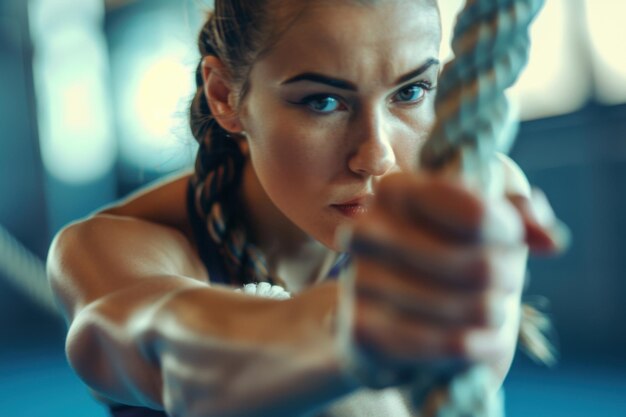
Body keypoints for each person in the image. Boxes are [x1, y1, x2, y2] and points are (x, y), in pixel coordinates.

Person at [47, 0, 566, 416]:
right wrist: (357, 329)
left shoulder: (474, 198)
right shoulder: (117, 244)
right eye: (323, 101)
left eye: (410, 91)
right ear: (226, 96)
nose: (376, 155)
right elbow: (159, 352)